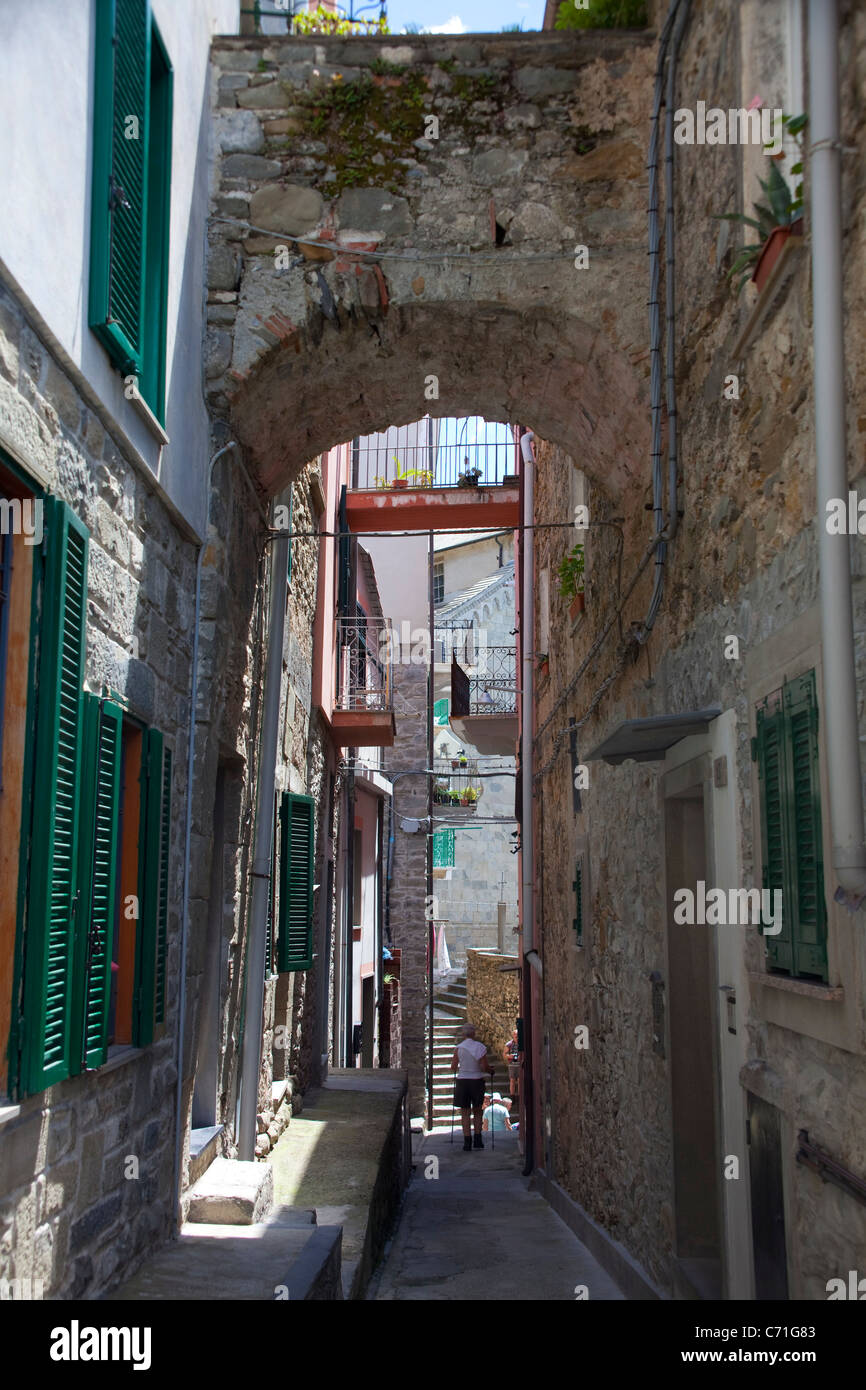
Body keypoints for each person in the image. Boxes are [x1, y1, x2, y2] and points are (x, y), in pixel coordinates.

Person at [451, 1022, 495, 1151]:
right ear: (474, 1033)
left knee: (465, 1112)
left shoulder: (458, 1048)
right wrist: (491, 1071)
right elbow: (484, 1067)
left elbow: (453, 1067)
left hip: (462, 1081)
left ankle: (466, 1141)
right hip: (476, 1081)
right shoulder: (480, 1047)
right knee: (477, 1110)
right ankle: (477, 1139)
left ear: (463, 1034)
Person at [502, 1027, 522, 1103]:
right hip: (512, 1065)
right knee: (512, 1080)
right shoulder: (509, 1044)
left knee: (520, 1081)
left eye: (517, 1035)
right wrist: (509, 1056)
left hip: (520, 1065)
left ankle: (520, 1096)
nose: (516, 1037)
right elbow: (504, 1054)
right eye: (515, 1035)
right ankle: (512, 1097)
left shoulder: (522, 1044)